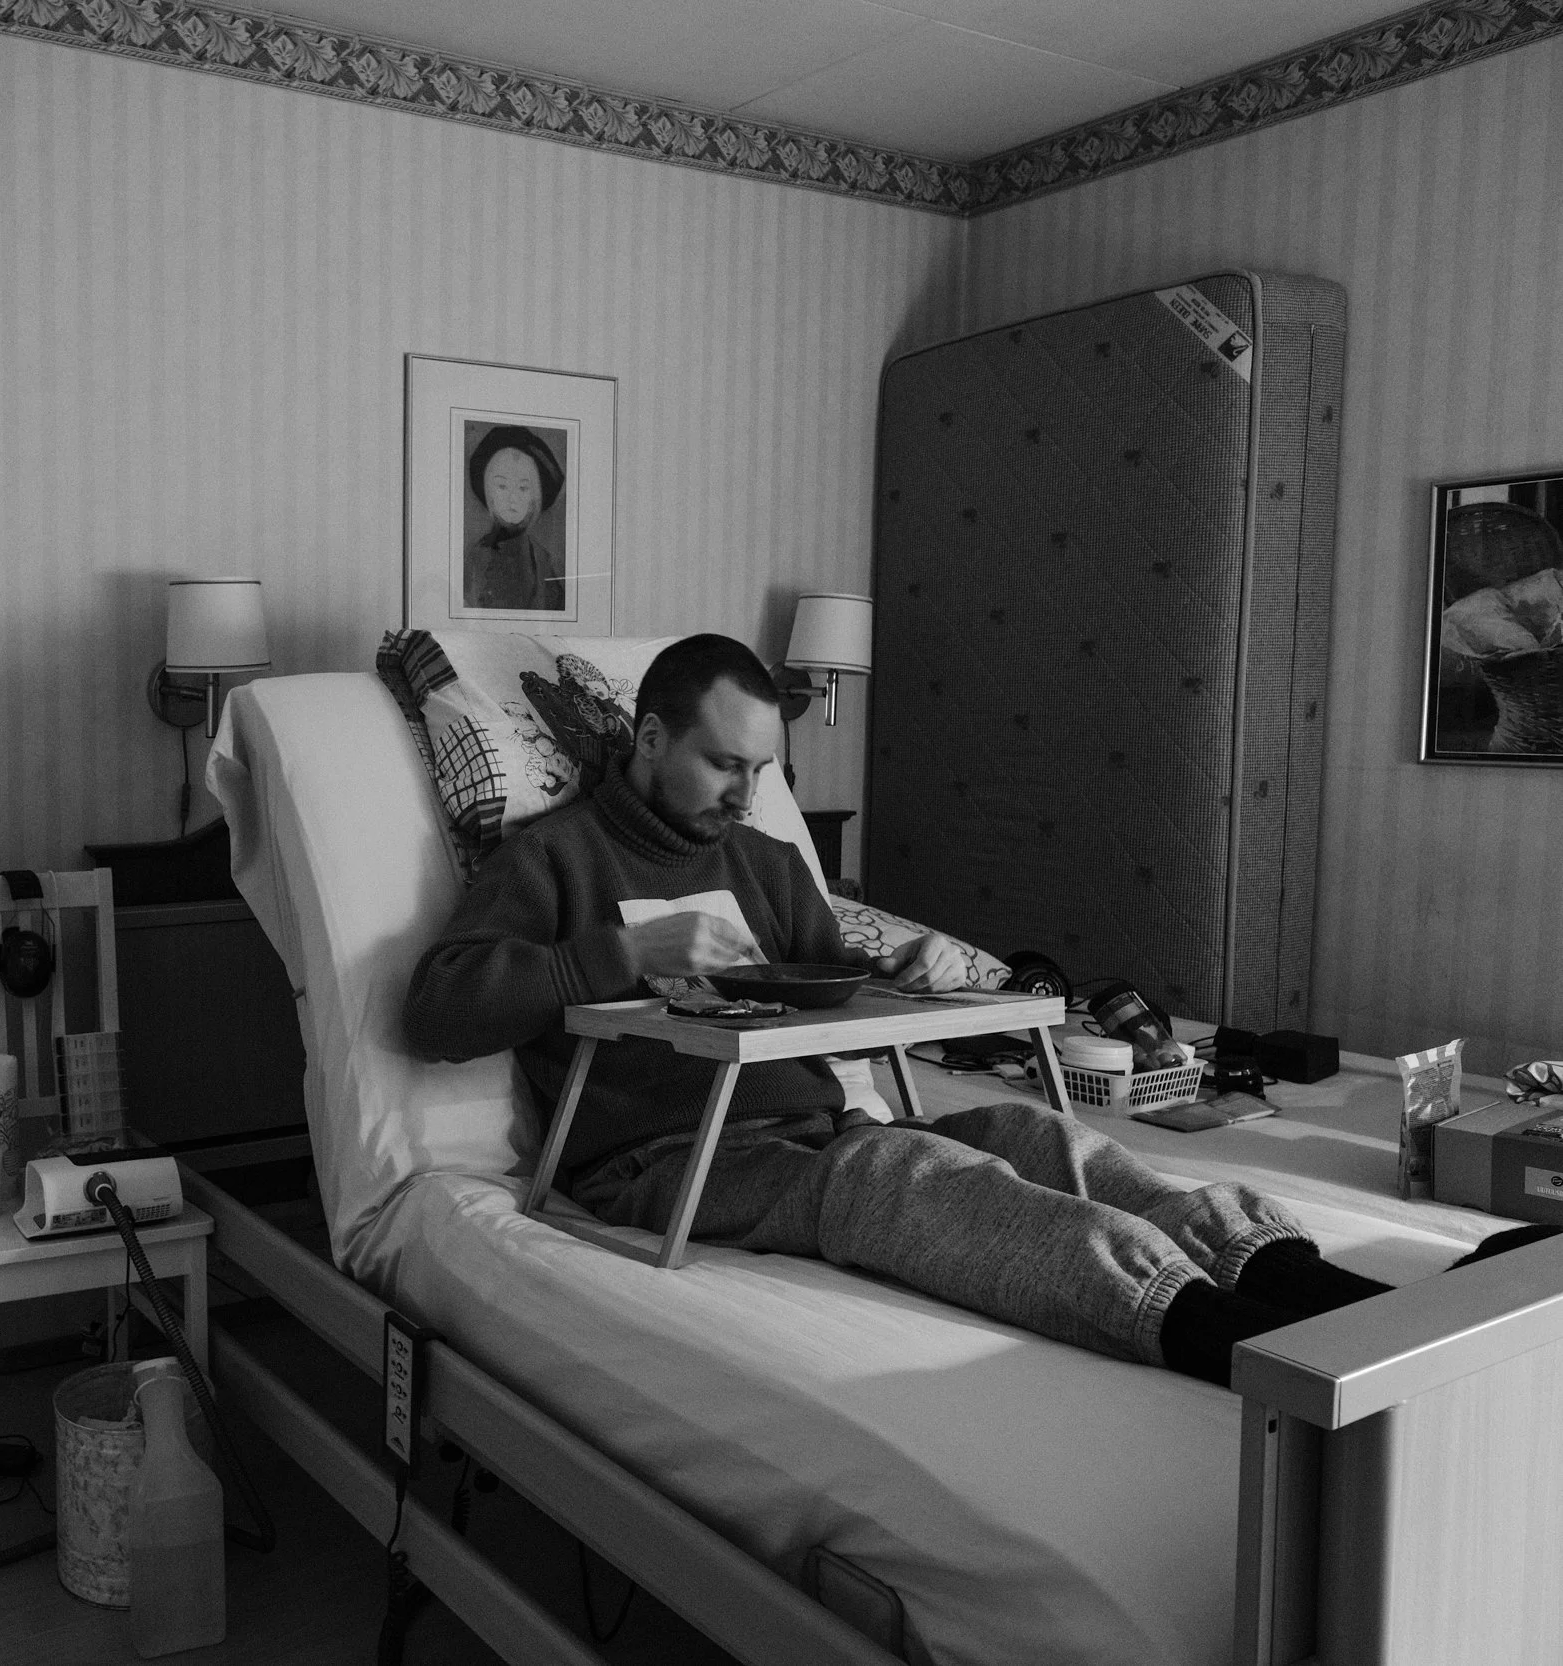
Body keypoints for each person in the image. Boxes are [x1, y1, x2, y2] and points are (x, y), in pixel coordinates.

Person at [402, 633, 1549, 1383]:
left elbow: (831, 984)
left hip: (811, 1127)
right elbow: (436, 1010)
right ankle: (1232, 1340)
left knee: (1036, 1137)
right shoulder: (551, 858)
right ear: (649, 739)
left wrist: (910, 983)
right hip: (656, 1163)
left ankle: (1334, 1296)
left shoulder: (763, 861)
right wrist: (614, 954)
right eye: (721, 766)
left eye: (762, 771)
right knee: (902, 1176)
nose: (747, 796)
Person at [462, 425, 566, 612]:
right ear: (488, 490)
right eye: (502, 486)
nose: (512, 498)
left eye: (523, 488)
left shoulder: (542, 560)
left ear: (535, 495)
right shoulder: (477, 560)